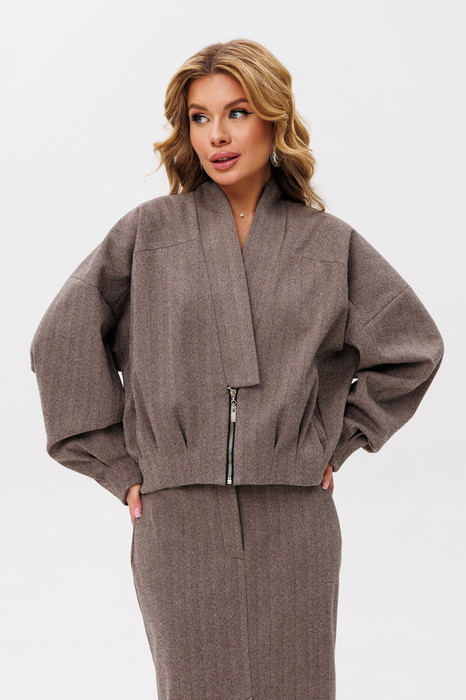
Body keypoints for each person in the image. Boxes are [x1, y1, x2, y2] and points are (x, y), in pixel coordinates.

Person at [30, 39, 444, 700]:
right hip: (175, 514)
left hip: (295, 516)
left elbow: (412, 347)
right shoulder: (148, 233)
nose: (216, 135)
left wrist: (333, 441)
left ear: (273, 119)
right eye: (200, 117)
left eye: (237, 112)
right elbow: (62, 340)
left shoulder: (328, 242)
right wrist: (117, 463)